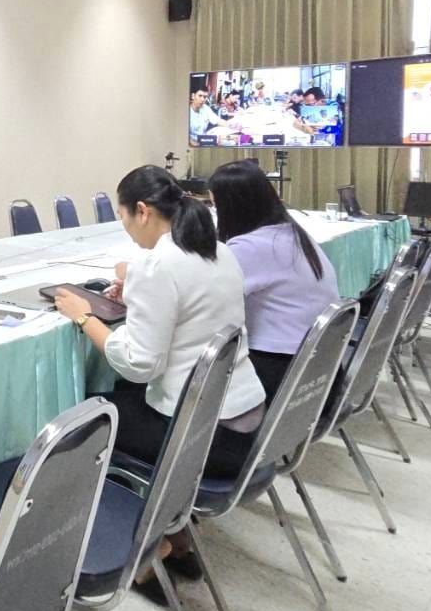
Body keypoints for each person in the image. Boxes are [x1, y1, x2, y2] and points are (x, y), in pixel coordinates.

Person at [51, 164, 266, 588]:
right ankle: (178, 535)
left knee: (86, 418)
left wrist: (84, 317)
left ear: (143, 211)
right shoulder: (218, 250)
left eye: (124, 218)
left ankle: (145, 548)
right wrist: (136, 292)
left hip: (204, 436)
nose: (127, 230)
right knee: (123, 397)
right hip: (244, 421)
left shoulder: (157, 264)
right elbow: (187, 311)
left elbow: (139, 362)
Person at [208, 159, 340, 401]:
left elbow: (204, 298)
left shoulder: (250, 247)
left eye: (215, 205)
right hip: (321, 369)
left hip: (284, 374)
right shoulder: (291, 232)